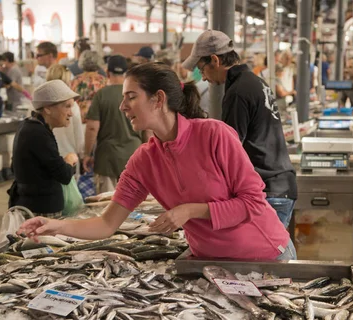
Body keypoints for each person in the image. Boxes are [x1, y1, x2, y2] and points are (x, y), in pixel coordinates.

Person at [18, 63, 295, 261]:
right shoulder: (144, 160)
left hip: (266, 257)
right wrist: (58, 226)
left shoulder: (214, 134)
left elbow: (252, 203)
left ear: (158, 99)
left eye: (131, 97)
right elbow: (106, 224)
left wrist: (188, 211)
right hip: (210, 263)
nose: (122, 106)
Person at [182, 30, 297, 228]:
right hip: (279, 185)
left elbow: (230, 149)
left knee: (263, 256)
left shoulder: (238, 92)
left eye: (202, 69)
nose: (203, 77)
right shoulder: (253, 82)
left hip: (268, 190)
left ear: (215, 60)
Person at [8, 80, 79, 216]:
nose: (71, 113)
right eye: (67, 107)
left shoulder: (30, 126)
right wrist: (69, 160)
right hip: (40, 209)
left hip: (32, 203)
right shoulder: (37, 132)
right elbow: (63, 175)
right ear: (48, 108)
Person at [84, 55, 143, 194]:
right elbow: (148, 130)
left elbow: (92, 127)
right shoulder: (137, 95)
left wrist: (87, 153)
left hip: (107, 159)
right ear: (126, 73)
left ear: (107, 72)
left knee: (106, 207)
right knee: (135, 207)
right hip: (134, 156)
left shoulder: (101, 95)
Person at [45, 64, 84, 175]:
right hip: (69, 159)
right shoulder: (72, 105)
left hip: (46, 160)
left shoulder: (40, 105)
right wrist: (82, 155)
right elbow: (79, 137)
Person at [70, 50, 107, 122]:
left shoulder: (75, 80)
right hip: (97, 118)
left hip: (77, 117)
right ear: (99, 62)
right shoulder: (103, 81)